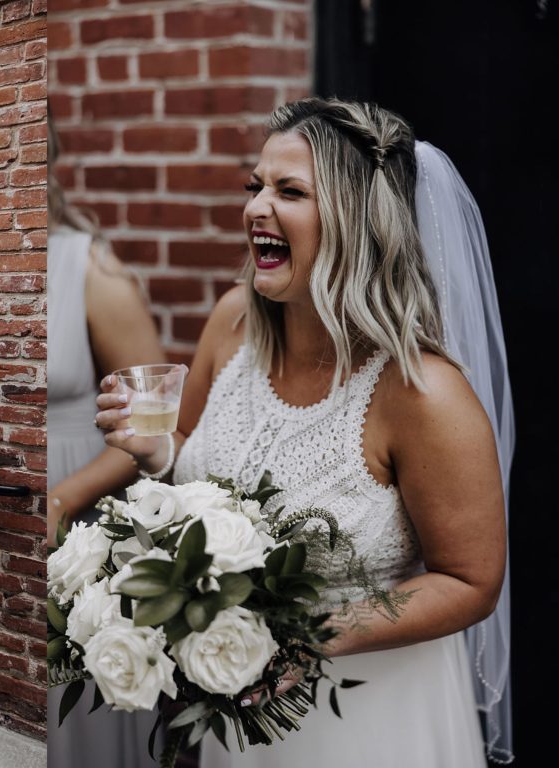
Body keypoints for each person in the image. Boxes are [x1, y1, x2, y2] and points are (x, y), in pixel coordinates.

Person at [95, 98, 510, 767]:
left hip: (371, 721)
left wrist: (308, 636)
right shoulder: (231, 323)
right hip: (239, 716)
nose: (257, 208)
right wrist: (155, 452)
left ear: (357, 221)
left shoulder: (422, 395)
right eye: (254, 186)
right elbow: (194, 473)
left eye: (289, 191)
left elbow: (472, 581)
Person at [47, 118, 168, 767]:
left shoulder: (88, 266)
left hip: (81, 521)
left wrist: (64, 498)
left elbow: (153, 429)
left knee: (75, 712)